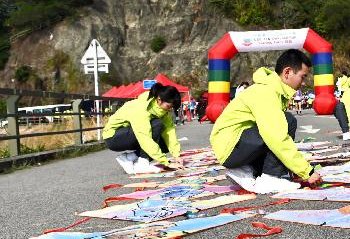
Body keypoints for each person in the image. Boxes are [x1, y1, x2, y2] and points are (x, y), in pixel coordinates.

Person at [210, 49, 323, 194]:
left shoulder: (272, 89)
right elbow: (276, 137)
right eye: (303, 77)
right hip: (231, 147)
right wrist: (307, 171)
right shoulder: (266, 92)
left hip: (234, 145)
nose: (304, 82)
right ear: (287, 72)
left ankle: (246, 170)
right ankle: (271, 177)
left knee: (282, 123)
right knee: (288, 121)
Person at [103, 83, 184, 174]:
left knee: (164, 143)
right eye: (168, 106)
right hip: (114, 137)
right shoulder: (140, 108)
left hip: (131, 134)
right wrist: (166, 162)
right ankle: (142, 164)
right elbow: (145, 138)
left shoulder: (163, 111)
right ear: (159, 100)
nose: (169, 110)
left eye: (171, 108)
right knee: (157, 124)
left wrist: (176, 155)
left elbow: (170, 133)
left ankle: (129, 158)